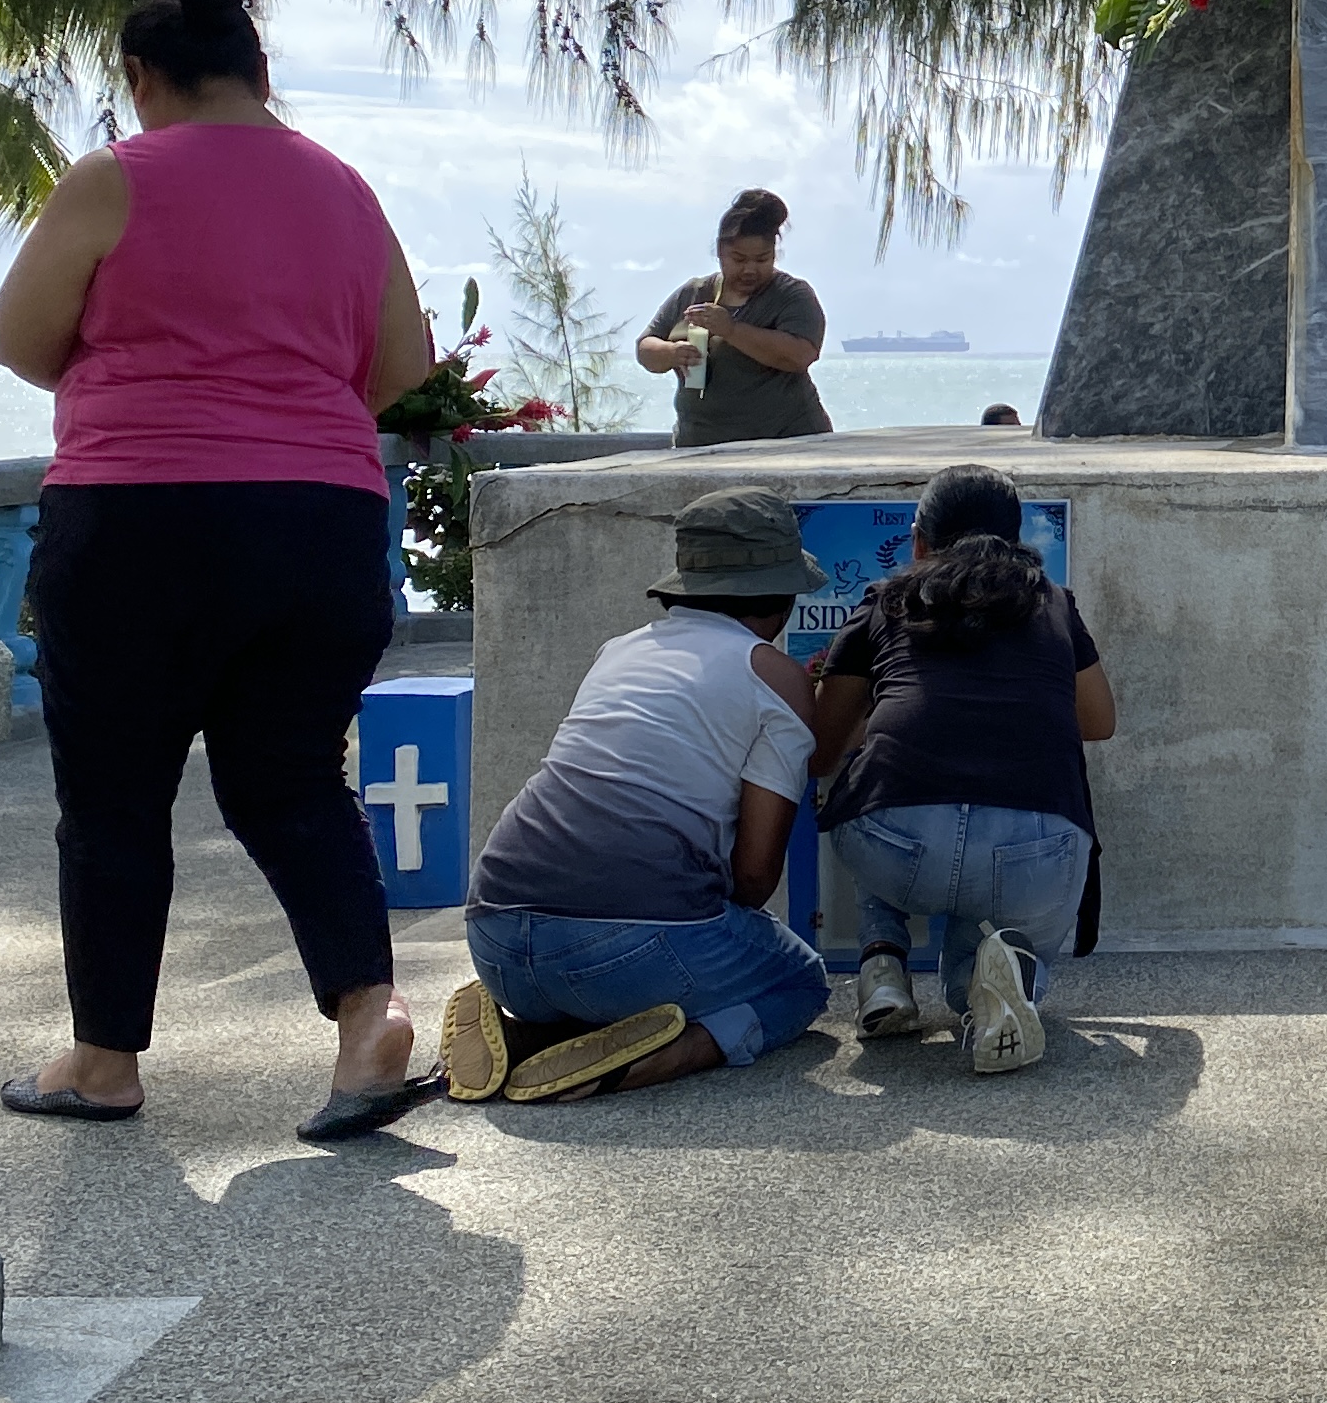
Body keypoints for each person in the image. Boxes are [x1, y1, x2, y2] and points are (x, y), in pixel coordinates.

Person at [0, 0, 442, 1144]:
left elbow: (19, 337)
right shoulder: (346, 190)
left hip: (139, 517)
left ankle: (103, 1060)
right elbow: (402, 363)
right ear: (259, 70)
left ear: (140, 78)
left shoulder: (114, 177)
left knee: (115, 795)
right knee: (292, 781)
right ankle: (369, 1016)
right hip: (321, 519)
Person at [441, 490, 834, 1103]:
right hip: (629, 953)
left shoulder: (619, 650)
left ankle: (527, 1035)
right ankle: (659, 1055)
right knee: (799, 981)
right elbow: (755, 880)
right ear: (783, 595)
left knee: (596, 960)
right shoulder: (775, 678)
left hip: (494, 935)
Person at [809, 464, 1116, 1074]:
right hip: (1036, 848)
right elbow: (1099, 720)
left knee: (873, 780)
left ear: (918, 540)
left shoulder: (883, 601)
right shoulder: (1055, 605)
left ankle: (882, 965)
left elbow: (820, 748)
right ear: (1015, 538)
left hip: (897, 847)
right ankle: (993, 994)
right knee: (991, 940)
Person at [635, 189, 833, 447]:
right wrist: (672, 353)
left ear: (774, 253)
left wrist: (731, 330)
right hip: (700, 444)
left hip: (787, 443)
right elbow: (645, 347)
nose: (750, 269)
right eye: (739, 259)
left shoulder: (792, 295)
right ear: (720, 252)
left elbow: (800, 355)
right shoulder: (694, 292)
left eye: (762, 259)